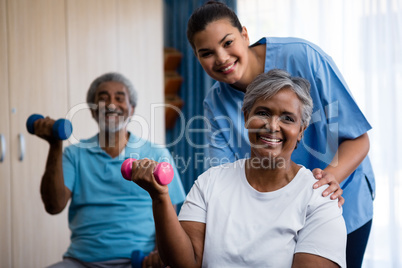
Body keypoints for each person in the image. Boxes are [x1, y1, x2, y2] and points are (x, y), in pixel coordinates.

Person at [186, 2, 375, 267]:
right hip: (278, 213)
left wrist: (329, 181)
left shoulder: (303, 57)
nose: (221, 58)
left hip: (340, 196)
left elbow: (357, 137)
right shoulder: (214, 104)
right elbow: (223, 176)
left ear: (244, 34)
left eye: (227, 42)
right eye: (206, 53)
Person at [131, 69, 347, 267]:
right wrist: (160, 198)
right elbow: (185, 262)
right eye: (263, 113)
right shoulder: (210, 182)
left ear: (301, 130)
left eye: (287, 118)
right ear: (246, 117)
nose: (272, 126)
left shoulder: (320, 199)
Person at [32, 72, 186, 268]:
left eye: (119, 98)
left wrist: (159, 254)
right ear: (92, 111)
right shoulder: (74, 154)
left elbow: (170, 215)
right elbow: (54, 206)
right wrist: (55, 145)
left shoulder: (156, 153)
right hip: (81, 262)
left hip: (140, 262)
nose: (111, 104)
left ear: (131, 109)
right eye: (103, 98)